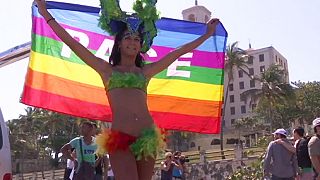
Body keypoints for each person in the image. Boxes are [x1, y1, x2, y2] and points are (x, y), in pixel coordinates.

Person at [35, 0, 219, 179]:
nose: (133, 42)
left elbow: (178, 52)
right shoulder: (107, 70)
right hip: (120, 139)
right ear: (120, 43)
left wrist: (207, 34)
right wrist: (45, 13)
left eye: (137, 39)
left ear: (141, 45)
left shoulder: (145, 71)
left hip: (147, 136)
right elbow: (73, 44)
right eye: (128, 38)